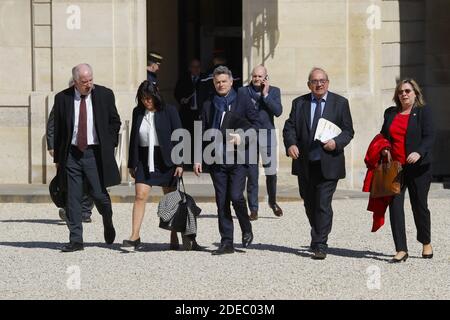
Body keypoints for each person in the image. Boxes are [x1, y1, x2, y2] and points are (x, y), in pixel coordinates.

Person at [283, 67, 354, 260]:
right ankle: (317, 234)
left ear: (328, 83)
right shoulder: (299, 103)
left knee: (323, 203)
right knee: (309, 203)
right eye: (315, 81)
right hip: (305, 163)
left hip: (329, 163)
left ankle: (321, 243)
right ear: (309, 84)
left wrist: (336, 143)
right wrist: (290, 144)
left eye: (322, 80)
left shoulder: (340, 103)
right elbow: (289, 128)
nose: (319, 84)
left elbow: (348, 131)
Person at [123, 80, 202, 251]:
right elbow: (133, 139)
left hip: (167, 159)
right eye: (143, 98)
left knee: (170, 199)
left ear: (156, 95)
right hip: (145, 159)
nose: (146, 101)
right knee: (140, 196)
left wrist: (180, 162)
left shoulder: (169, 110)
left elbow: (180, 135)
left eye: (149, 98)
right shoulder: (138, 112)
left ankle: (173, 234)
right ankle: (134, 235)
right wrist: (132, 163)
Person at [53, 63, 121, 252]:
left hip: (94, 153)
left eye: (91, 80)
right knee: (72, 198)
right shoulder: (62, 98)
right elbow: (59, 130)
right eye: (84, 81)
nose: (88, 84)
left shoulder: (105, 95)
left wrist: (109, 144)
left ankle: (108, 220)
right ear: (75, 82)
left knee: (100, 195)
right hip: (72, 154)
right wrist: (58, 159)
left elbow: (115, 122)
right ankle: (76, 240)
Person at [194, 66, 260, 255]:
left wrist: (243, 136)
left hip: (239, 158)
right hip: (216, 159)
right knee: (221, 201)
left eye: (224, 81)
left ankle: (246, 227)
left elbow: (256, 125)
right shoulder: (208, 103)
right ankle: (227, 242)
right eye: (217, 82)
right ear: (214, 84)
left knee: (236, 196)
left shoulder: (243, 99)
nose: (221, 84)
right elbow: (200, 130)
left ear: (231, 82)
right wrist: (198, 158)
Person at [379, 79, 435, 263]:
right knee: (395, 207)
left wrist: (419, 152)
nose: (404, 94)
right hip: (396, 168)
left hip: (419, 168)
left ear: (415, 93)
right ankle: (401, 249)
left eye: (408, 91)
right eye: (401, 91)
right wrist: (385, 149)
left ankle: (426, 242)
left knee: (419, 206)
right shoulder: (390, 113)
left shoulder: (423, 112)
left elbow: (429, 136)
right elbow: (383, 137)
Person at [239, 65, 283, 220]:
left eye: (260, 76)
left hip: (267, 135)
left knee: (271, 172)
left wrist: (265, 95)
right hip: (250, 136)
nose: (257, 79)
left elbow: (278, 111)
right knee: (252, 174)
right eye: (255, 76)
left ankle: (272, 201)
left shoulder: (274, 91)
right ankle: (253, 208)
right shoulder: (243, 92)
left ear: (266, 78)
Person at [47, 104, 94, 223]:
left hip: (90, 148)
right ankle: (68, 208)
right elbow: (52, 125)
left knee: (89, 180)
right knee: (67, 180)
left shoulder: (93, 101)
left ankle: (85, 212)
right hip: (67, 149)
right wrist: (52, 146)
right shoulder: (62, 102)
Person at [174, 58, 204, 168]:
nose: (196, 69)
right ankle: (186, 161)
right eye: (193, 67)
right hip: (187, 113)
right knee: (187, 137)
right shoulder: (183, 79)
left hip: (199, 113)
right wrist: (181, 99)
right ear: (189, 68)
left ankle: (200, 161)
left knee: (199, 137)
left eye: (198, 67)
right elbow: (177, 92)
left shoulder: (204, 79)